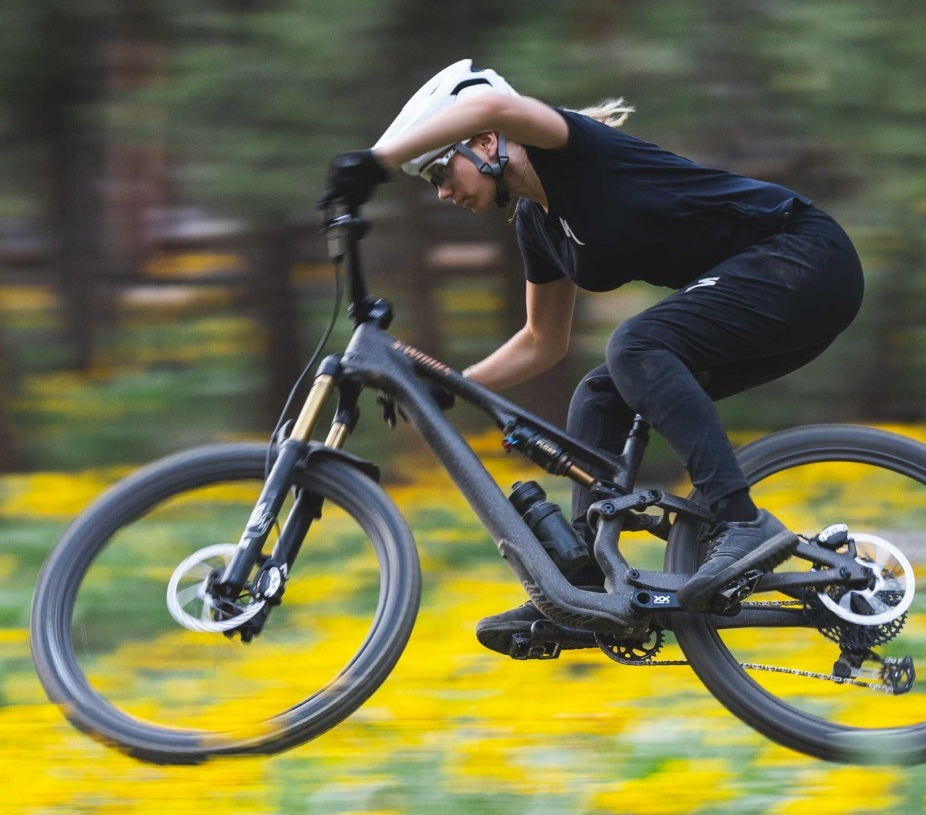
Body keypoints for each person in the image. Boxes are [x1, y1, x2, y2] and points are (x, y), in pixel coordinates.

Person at [324, 60, 864, 654]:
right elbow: (542, 341)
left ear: (484, 145)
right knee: (600, 393)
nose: (444, 192)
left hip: (804, 258)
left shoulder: (571, 149)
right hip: (777, 295)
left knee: (636, 344)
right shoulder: (537, 224)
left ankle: (742, 522)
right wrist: (453, 386)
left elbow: (497, 107)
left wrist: (375, 163)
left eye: (440, 172)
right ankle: (585, 589)